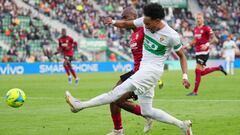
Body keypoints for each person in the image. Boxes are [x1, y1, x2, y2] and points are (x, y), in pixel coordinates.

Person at [65, 3, 193, 135]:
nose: (146, 26)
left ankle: (80, 105)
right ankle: (182, 125)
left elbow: (182, 56)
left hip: (151, 71)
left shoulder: (171, 35)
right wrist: (113, 21)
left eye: (149, 24)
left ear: (157, 20)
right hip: (144, 70)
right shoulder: (144, 22)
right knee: (147, 111)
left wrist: (185, 76)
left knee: (115, 94)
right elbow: (127, 24)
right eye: (145, 23)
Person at [105, 7, 152, 135]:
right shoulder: (133, 34)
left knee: (117, 98)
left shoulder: (145, 30)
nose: (124, 20)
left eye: (126, 17)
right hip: (134, 71)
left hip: (142, 74)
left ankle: (146, 114)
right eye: (123, 18)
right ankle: (118, 130)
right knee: (113, 97)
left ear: (134, 16)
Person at [185, 13, 227, 96]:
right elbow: (195, 40)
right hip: (198, 52)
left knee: (197, 71)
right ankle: (218, 68)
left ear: (203, 19)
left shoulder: (207, 28)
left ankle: (195, 92)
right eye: (197, 18)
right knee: (201, 73)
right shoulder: (196, 28)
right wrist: (187, 45)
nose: (198, 20)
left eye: (200, 18)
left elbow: (215, 39)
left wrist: (207, 45)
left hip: (204, 53)